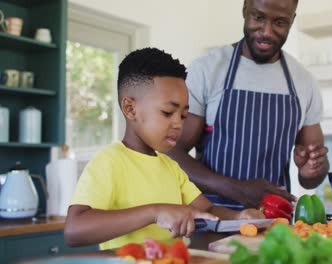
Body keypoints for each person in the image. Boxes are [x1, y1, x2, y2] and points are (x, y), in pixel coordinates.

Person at [64, 48, 262, 250]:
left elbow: (207, 209)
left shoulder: (171, 167)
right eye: (167, 112)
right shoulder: (109, 161)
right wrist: (155, 212)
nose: (178, 124)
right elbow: (74, 230)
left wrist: (239, 217)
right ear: (130, 109)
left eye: (183, 115)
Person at [168, 0, 329, 210]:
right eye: (258, 18)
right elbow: (170, 153)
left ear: (292, 20)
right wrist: (237, 189)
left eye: (280, 22)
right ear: (245, 10)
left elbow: (311, 178)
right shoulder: (207, 70)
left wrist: (313, 170)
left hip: (275, 225)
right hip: (212, 221)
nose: (267, 32)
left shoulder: (304, 81)